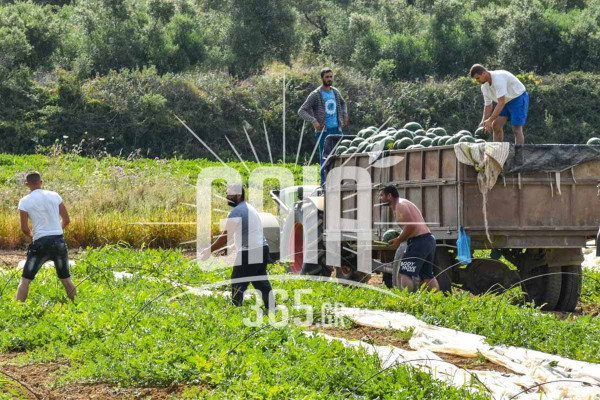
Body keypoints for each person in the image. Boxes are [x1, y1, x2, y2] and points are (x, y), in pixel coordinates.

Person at [200, 183, 275, 310]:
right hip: (261, 248)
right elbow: (249, 234)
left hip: (250, 251)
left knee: (237, 281)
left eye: (229, 194)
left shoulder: (236, 212)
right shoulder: (249, 208)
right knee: (260, 281)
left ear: (239, 195)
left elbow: (225, 236)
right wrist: (230, 248)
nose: (227, 196)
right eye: (226, 194)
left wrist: (209, 250)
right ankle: (272, 308)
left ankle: (236, 311)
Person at [16, 172, 76, 302]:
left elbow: (24, 228)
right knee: (66, 279)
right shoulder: (54, 196)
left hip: (40, 244)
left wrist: (34, 236)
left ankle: (17, 310)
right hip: (59, 241)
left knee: (25, 280)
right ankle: (77, 306)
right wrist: (56, 230)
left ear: (27, 185)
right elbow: (66, 219)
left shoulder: (24, 201)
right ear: (41, 182)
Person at [380, 185, 440, 292]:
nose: (381, 198)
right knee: (427, 275)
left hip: (419, 242)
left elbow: (411, 225)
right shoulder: (402, 203)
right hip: (428, 240)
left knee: (405, 272)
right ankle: (437, 299)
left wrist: (398, 240)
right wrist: (400, 237)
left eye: (382, 195)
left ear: (389, 196)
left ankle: (409, 299)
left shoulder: (399, 205)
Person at [298, 67, 349, 183]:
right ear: (322, 78)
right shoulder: (316, 94)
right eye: (327, 77)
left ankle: (339, 182)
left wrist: (345, 115)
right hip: (324, 132)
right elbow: (302, 110)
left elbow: (343, 103)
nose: (329, 79)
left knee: (341, 156)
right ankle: (324, 184)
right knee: (325, 158)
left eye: (331, 77)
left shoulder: (335, 92)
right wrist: (313, 120)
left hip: (337, 129)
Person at [470, 64, 529, 145]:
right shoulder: (484, 87)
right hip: (504, 101)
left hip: (517, 98)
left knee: (516, 129)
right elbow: (488, 105)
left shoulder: (498, 79)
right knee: (496, 125)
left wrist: (490, 120)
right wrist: (483, 121)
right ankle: (497, 153)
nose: (477, 81)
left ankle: (519, 156)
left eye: (477, 78)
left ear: (484, 73)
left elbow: (501, 103)